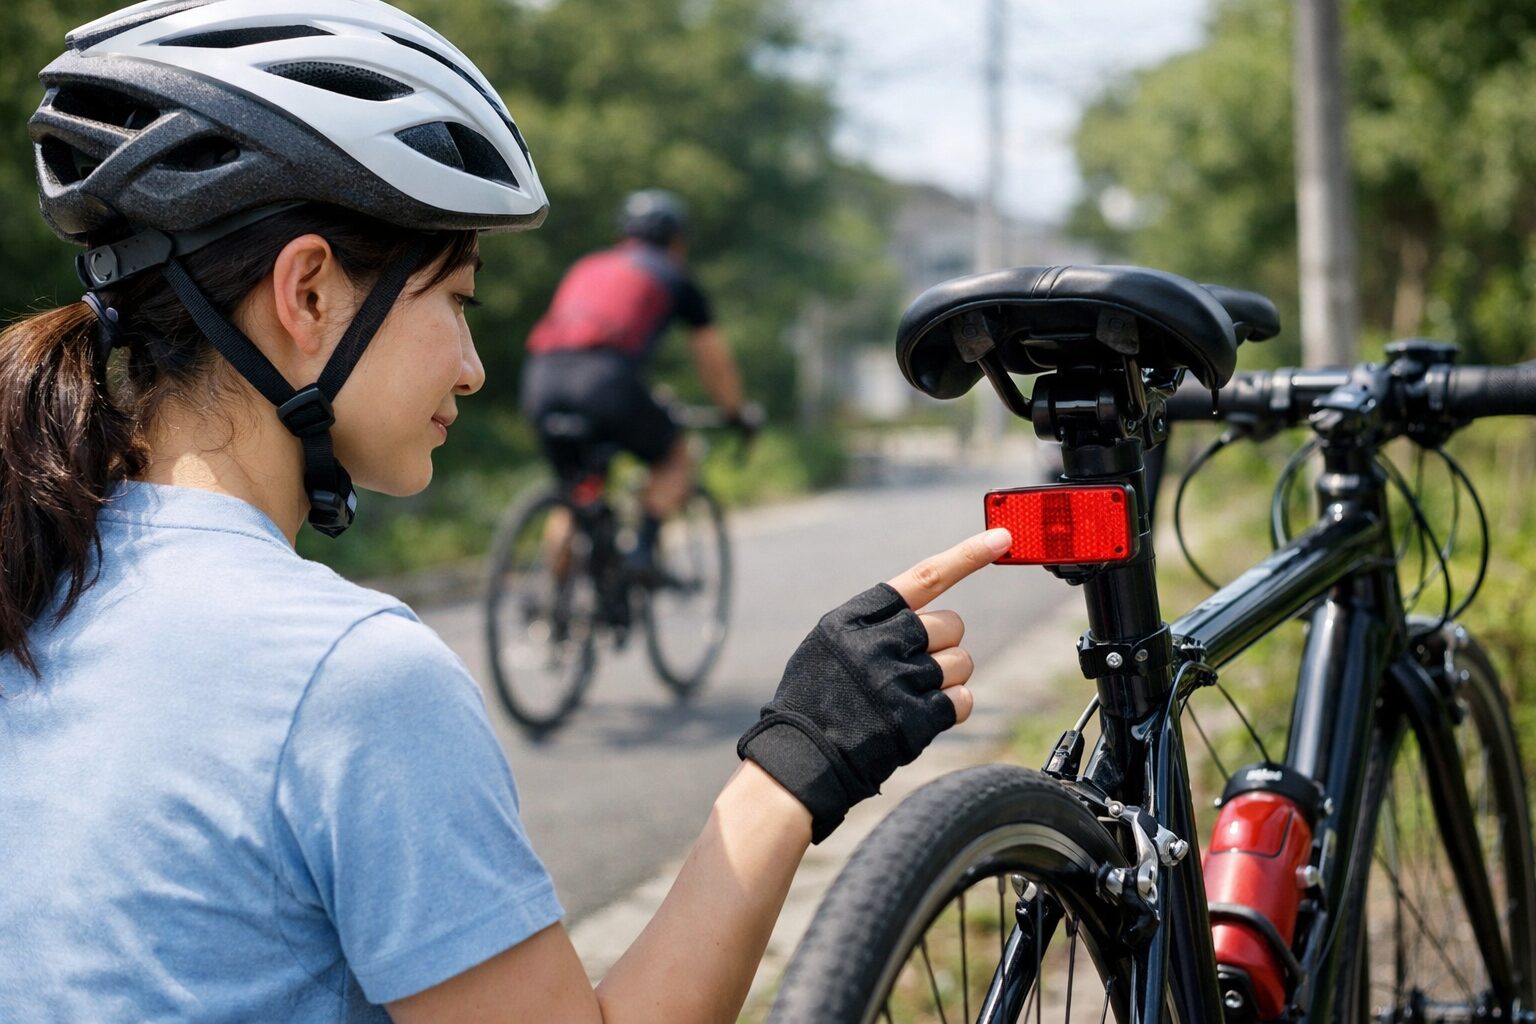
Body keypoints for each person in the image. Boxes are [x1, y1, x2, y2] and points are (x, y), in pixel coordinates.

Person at [0, 1, 1011, 1020]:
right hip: (614, 391)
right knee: (662, 464)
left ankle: (579, 546)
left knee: (583, 489)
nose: (475, 366)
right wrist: (800, 755)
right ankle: (639, 541)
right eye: (457, 302)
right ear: (307, 295)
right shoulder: (346, 677)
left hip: (563, 392)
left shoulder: (29, 573)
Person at [522, 188, 749, 572]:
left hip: (539, 377)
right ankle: (641, 554)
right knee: (677, 454)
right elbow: (714, 361)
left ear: (622, 234)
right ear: (677, 241)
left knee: (573, 498)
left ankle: (550, 611)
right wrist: (735, 412)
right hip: (603, 379)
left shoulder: (587, 265)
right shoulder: (673, 273)